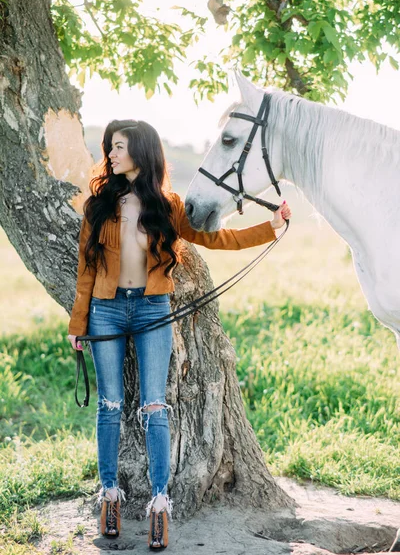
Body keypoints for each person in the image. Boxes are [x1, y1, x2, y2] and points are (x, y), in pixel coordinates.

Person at [67, 119, 291, 549]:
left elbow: (216, 236)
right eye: (109, 148)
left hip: (153, 308)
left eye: (118, 147)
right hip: (106, 313)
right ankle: (110, 493)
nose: (110, 155)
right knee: (110, 404)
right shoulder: (98, 205)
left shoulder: (167, 205)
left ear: (140, 152)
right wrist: (79, 326)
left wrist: (271, 228)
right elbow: (86, 269)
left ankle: (159, 502)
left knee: (155, 405)